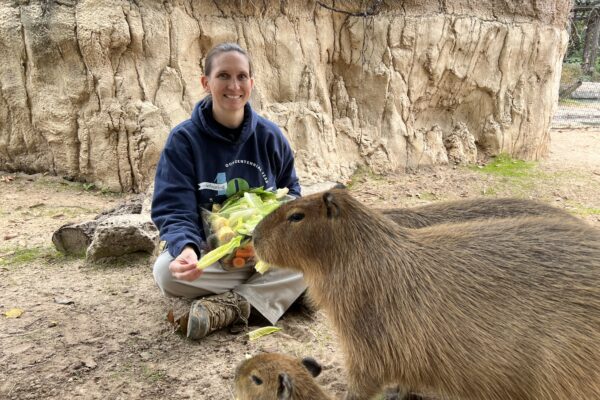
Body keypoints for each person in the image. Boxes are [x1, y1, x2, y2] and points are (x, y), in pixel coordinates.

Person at [151, 42, 305, 340]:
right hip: (214, 253)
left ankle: (232, 306)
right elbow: (174, 208)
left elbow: (293, 195)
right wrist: (186, 250)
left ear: (252, 83)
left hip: (268, 253)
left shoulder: (271, 137)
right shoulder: (183, 140)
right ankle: (275, 294)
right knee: (166, 273)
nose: (233, 85)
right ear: (205, 83)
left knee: (319, 253)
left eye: (242, 76)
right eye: (223, 76)